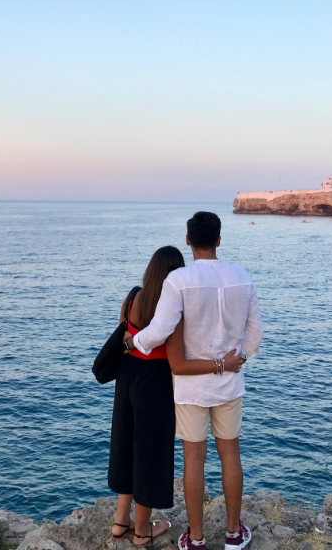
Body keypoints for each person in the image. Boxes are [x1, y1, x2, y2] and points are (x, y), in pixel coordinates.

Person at [124, 212, 263, 550]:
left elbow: (159, 330)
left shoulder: (179, 281)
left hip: (190, 388)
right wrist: (235, 361)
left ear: (188, 241)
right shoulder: (242, 277)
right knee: (231, 454)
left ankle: (196, 538)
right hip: (229, 384)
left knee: (193, 460)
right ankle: (233, 534)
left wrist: (133, 343)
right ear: (218, 239)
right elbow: (255, 336)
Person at [108, 246, 244, 546]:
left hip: (127, 377)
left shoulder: (133, 297)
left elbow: (125, 333)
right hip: (153, 383)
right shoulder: (171, 306)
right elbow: (175, 358)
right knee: (149, 455)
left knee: (126, 448)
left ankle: (120, 521)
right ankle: (142, 530)